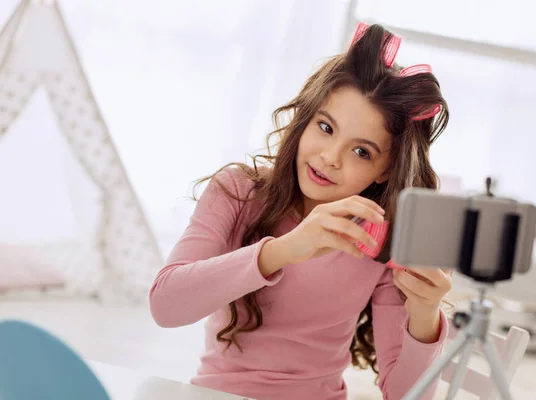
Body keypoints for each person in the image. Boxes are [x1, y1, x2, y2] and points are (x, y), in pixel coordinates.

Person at [150, 22, 453, 400]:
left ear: (386, 169)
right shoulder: (237, 191)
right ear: (305, 118)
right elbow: (165, 306)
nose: (330, 158)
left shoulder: (381, 239)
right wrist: (286, 249)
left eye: (362, 152)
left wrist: (425, 314)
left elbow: (409, 396)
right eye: (325, 127)